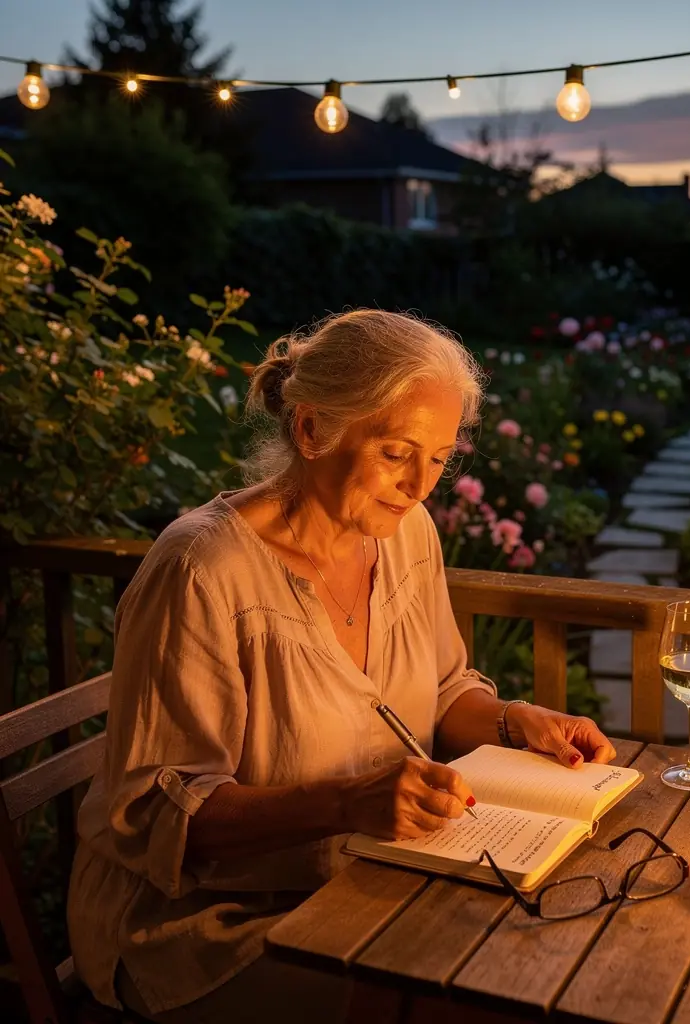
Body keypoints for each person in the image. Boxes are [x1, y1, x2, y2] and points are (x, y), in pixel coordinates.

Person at [68, 310, 616, 1023]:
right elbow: (155, 814)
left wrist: (517, 721)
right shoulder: (202, 570)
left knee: (548, 959)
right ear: (311, 431)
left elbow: (444, 689)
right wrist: (347, 803)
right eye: (395, 452)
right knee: (476, 1000)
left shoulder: (406, 534)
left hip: (362, 887)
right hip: (204, 929)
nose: (419, 484)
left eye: (439, 458)